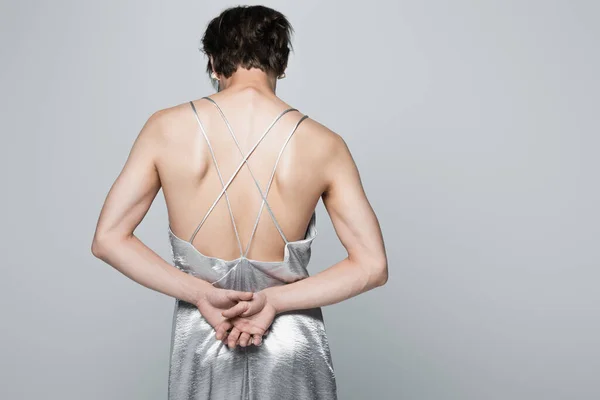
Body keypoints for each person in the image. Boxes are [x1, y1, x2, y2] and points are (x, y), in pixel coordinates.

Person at [91, 5, 388, 400]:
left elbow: (108, 238)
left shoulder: (165, 128)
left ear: (214, 63)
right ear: (280, 65)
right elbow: (373, 266)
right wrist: (274, 300)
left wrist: (199, 293)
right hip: (290, 337)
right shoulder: (325, 144)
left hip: (205, 329)